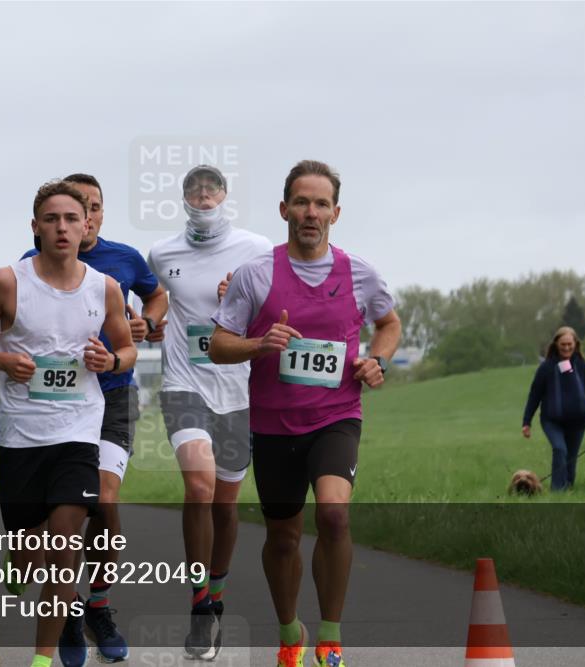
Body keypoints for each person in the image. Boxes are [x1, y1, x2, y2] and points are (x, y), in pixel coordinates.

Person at [209, 160, 400, 667]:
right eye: (301, 202)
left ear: (335, 213)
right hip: (272, 423)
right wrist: (258, 343)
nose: (310, 213)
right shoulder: (256, 274)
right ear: (284, 209)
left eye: (320, 204)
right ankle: (289, 630)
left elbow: (389, 323)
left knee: (334, 515)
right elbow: (218, 344)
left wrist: (377, 361)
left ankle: (331, 636)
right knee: (283, 536)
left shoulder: (360, 272)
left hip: (337, 415)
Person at [0, 179, 137, 667]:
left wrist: (110, 361)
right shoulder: (8, 282)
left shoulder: (106, 288)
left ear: (87, 226)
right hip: (19, 435)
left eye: (71, 219)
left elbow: (127, 348)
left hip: (79, 430)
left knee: (64, 540)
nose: (62, 227)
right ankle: (19, 559)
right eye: (52, 219)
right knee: (29, 551)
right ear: (35, 227)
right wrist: (0, 361)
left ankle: (42, 658)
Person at [22, 173, 168, 665]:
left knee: (103, 501)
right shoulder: (28, 266)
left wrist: (147, 321)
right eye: (70, 208)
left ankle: (98, 607)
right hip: (51, 408)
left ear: (97, 217)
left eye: (93, 207)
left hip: (112, 398)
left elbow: (156, 295)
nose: (82, 216)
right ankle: (66, 609)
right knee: (48, 524)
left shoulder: (123, 260)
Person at [146, 164, 272, 660]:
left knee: (224, 504)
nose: (203, 197)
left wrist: (240, 299)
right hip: (183, 383)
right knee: (198, 486)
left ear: (224, 196)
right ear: (183, 199)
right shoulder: (163, 253)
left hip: (237, 390)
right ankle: (199, 604)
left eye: (211, 189)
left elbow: (277, 308)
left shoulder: (256, 248)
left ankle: (217, 595)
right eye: (194, 190)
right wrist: (151, 323)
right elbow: (155, 301)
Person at [522, 326, 585, 490]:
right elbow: (534, 395)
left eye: (570, 344)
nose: (567, 348)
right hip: (552, 421)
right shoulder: (546, 368)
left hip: (577, 422)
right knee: (560, 449)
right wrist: (527, 422)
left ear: (575, 344)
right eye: (563, 344)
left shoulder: (582, 366)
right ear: (556, 344)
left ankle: (567, 489)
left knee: (571, 459)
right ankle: (557, 491)